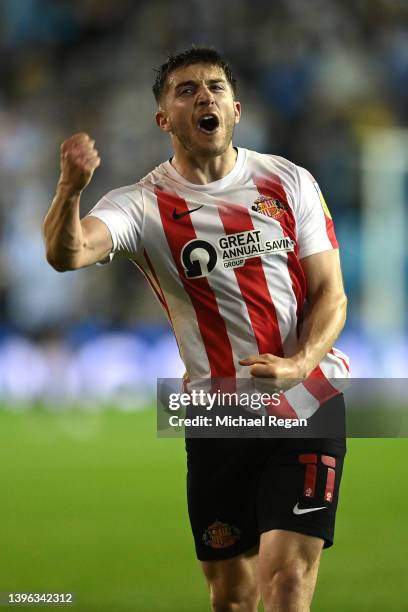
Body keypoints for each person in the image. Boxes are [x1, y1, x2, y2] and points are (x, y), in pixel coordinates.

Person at [44, 46, 349, 612]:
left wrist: (301, 362)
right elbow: (68, 254)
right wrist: (69, 190)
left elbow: (332, 292)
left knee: (286, 584)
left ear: (236, 108)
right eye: (186, 90)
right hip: (218, 415)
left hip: (308, 398)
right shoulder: (141, 204)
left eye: (214, 87)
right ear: (165, 120)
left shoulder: (288, 181)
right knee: (231, 598)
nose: (203, 95)